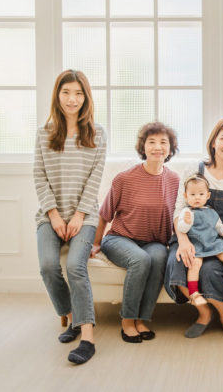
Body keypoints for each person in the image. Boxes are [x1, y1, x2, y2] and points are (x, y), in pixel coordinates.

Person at [34, 69, 106, 365]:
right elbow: (39, 176)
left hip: (84, 216)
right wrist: (53, 215)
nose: (72, 99)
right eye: (66, 92)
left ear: (86, 97)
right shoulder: (44, 133)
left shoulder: (97, 134)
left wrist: (78, 216)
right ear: (57, 95)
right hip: (50, 213)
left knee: (76, 266)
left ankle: (87, 337)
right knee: (48, 266)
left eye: (78, 93)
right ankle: (72, 315)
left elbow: (95, 179)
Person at [165, 118, 223, 340]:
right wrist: (183, 241)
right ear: (214, 141)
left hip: (221, 241)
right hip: (189, 237)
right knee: (177, 264)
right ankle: (204, 314)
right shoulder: (193, 169)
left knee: (209, 271)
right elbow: (178, 209)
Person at [90, 122, 180, 343]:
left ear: (170, 148)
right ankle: (128, 320)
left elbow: (179, 215)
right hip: (120, 238)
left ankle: (142, 319)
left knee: (158, 257)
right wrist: (96, 243)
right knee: (140, 260)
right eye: (151, 142)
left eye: (163, 142)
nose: (157, 147)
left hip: (154, 242)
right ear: (143, 147)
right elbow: (104, 214)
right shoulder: (125, 178)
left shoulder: (174, 180)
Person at [176, 173, 223, 306]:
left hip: (213, 242)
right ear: (185, 196)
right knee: (194, 264)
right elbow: (182, 229)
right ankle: (194, 293)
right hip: (197, 243)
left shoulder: (211, 211)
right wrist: (186, 222)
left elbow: (218, 226)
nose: (197, 197)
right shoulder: (186, 212)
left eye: (201, 194)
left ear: (208, 196)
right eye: (192, 194)